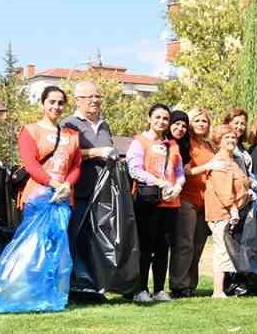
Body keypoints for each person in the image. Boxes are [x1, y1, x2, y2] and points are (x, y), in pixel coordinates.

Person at [125, 104, 182, 303]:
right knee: (145, 246)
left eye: (165, 118)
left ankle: (159, 289)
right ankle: (140, 289)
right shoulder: (139, 141)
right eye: (157, 117)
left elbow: (180, 172)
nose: (161, 122)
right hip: (148, 201)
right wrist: (158, 182)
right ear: (149, 118)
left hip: (170, 202)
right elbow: (134, 169)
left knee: (163, 247)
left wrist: (178, 186)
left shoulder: (172, 145)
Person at [169, 106, 221, 297]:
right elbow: (185, 171)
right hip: (186, 199)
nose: (201, 124)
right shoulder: (186, 144)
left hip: (205, 201)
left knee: (199, 243)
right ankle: (178, 284)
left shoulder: (208, 146)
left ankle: (190, 284)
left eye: (204, 121)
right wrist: (208, 166)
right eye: (197, 120)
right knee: (184, 243)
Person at [205, 124, 252, 298]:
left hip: (231, 211)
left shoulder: (232, 160)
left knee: (227, 251)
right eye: (227, 138)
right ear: (218, 141)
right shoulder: (221, 162)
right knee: (222, 251)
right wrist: (233, 210)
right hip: (222, 213)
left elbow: (241, 183)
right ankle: (217, 291)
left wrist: (249, 191)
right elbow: (222, 189)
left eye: (233, 137)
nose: (231, 140)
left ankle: (223, 289)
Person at [18, 87, 82, 210]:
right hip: (37, 197)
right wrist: (56, 185)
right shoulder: (30, 130)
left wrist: (67, 185)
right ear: (42, 104)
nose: (56, 106)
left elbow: (76, 165)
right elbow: (31, 164)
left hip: (63, 198)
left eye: (61, 103)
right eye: (51, 102)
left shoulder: (73, 135)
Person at [62, 81, 116, 209]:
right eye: (90, 97)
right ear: (77, 100)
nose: (95, 100)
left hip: (103, 193)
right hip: (79, 194)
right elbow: (65, 155)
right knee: (78, 228)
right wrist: (96, 152)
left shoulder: (104, 125)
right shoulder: (69, 124)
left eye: (97, 96)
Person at [222, 109, 252, 173]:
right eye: (236, 123)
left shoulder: (242, 147)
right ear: (228, 124)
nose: (239, 127)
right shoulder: (223, 146)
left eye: (242, 124)